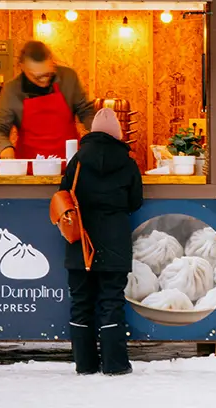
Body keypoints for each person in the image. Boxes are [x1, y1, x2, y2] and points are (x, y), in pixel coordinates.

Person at [59, 108, 143, 375]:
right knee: (111, 300)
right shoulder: (128, 163)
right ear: (118, 133)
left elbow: (63, 195)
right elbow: (135, 202)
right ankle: (115, 364)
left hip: (80, 240)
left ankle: (84, 364)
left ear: (92, 132)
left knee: (81, 300)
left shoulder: (78, 161)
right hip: (115, 239)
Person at [0, 41, 96, 159]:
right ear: (23, 67)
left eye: (48, 74)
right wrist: (4, 148)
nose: (44, 80)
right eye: (37, 77)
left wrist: (99, 133)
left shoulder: (68, 78)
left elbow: (86, 111)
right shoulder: (12, 90)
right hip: (31, 166)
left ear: (52, 63)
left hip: (70, 163)